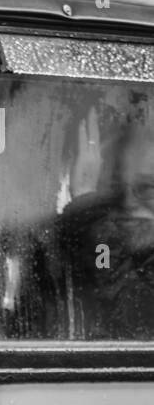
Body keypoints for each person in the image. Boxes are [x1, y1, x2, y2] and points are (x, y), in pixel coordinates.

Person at [53, 121, 154, 338]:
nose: (128, 203)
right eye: (116, 189)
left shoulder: (104, 247)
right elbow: (105, 264)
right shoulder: (106, 251)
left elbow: (121, 296)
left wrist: (87, 205)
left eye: (147, 188)